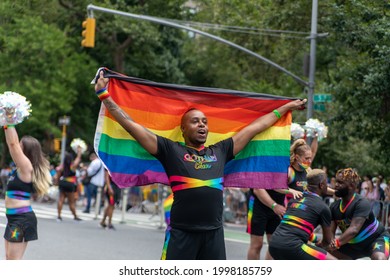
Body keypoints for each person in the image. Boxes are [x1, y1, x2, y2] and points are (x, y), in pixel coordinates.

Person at [93, 70, 306, 260]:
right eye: (195, 121)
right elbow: (131, 126)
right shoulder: (170, 150)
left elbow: (255, 128)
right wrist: (105, 97)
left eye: (204, 121)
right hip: (181, 234)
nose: (202, 124)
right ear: (183, 129)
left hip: (214, 234)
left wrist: (285, 107)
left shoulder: (220, 151)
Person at [3, 125, 52, 259]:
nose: (17, 146)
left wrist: (9, 121)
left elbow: (12, 144)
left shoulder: (26, 167)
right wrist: (6, 125)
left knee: (13, 261)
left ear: (26, 150)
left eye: (21, 145)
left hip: (21, 219)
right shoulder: (19, 168)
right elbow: (12, 143)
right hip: (13, 219)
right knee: (9, 258)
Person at [268, 169, 337, 260]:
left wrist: (316, 239)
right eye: (326, 183)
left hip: (273, 244)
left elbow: (296, 228)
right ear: (321, 185)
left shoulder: (294, 200)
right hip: (292, 247)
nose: (327, 186)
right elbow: (327, 241)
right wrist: (320, 244)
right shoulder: (323, 207)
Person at [328, 168, 390, 260]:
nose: (336, 185)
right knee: (327, 253)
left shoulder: (361, 203)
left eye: (340, 183)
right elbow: (330, 231)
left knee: (379, 259)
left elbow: (354, 229)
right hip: (353, 245)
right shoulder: (334, 207)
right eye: (336, 182)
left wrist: (336, 243)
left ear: (352, 186)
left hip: (377, 239)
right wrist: (330, 243)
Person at [56, 148, 82, 222]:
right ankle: (75, 216)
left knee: (61, 200)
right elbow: (78, 159)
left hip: (62, 182)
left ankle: (59, 216)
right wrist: (79, 152)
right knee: (71, 201)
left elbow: (58, 175)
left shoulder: (62, 166)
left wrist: (58, 183)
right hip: (70, 184)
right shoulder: (72, 166)